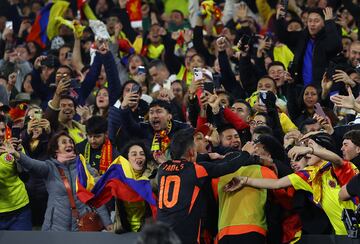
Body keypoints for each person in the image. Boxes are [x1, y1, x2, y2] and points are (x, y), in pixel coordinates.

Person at [224, 132, 358, 235]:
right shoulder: (307, 175)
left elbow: (337, 160)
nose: (305, 151)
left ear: (323, 148)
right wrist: (245, 180)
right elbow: (277, 184)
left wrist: (311, 150)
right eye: (305, 147)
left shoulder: (338, 166)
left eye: (309, 146)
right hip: (344, 234)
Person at [156, 128, 257, 244]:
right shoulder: (197, 170)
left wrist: (208, 156)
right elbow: (228, 167)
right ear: (191, 152)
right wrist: (246, 153)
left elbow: (184, 162)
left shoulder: (162, 169)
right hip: (184, 236)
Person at [0, 131, 112, 231]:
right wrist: (16, 154)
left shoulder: (83, 167)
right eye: (64, 142)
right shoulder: (50, 168)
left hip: (83, 226)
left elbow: (96, 197)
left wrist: (107, 223)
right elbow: (32, 164)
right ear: (56, 148)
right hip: (56, 227)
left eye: (70, 142)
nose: (69, 144)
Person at [113, 140, 155, 233]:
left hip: (147, 231)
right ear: (127, 158)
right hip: (123, 231)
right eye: (134, 154)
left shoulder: (153, 175)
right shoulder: (118, 177)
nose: (139, 156)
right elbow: (99, 182)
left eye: (142, 154)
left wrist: (162, 163)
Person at [0, 115, 31, 230]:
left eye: (2, 130)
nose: (1, 134)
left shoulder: (12, 147)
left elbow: (25, 176)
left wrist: (17, 155)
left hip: (20, 210)